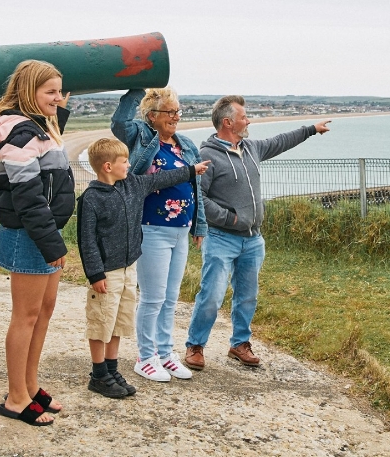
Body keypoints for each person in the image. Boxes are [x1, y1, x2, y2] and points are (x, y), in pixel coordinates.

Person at [184, 95, 331, 370]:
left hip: (253, 240)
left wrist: (311, 129)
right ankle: (195, 345)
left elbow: (280, 141)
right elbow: (198, 197)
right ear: (228, 122)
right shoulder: (208, 155)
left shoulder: (251, 148)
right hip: (221, 239)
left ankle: (239, 343)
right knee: (212, 295)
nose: (248, 120)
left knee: (248, 295)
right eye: (243, 117)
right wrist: (229, 217)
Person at [0, 59, 75, 427]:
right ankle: (16, 397)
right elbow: (29, 199)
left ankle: (30, 385)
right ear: (28, 92)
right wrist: (53, 245)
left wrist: (55, 109)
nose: (58, 97)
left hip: (44, 232)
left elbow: (46, 144)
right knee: (26, 316)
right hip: (30, 234)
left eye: (60, 91)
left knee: (44, 312)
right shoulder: (19, 136)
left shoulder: (37, 128)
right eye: (50, 91)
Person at [77, 138, 209, 398]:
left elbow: (162, 179)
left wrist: (192, 170)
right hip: (107, 273)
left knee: (118, 322)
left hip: (128, 269)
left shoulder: (133, 185)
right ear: (107, 166)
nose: (130, 165)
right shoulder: (91, 198)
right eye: (124, 161)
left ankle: (112, 368)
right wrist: (95, 273)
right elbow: (87, 240)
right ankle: (98, 373)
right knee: (101, 323)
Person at [111, 88, 207, 382]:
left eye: (178, 111)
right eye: (170, 112)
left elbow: (195, 187)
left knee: (171, 297)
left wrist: (199, 224)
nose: (176, 117)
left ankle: (166, 354)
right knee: (152, 297)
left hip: (181, 229)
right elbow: (119, 123)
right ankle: (146, 357)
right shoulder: (141, 136)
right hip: (151, 227)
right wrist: (138, 86)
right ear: (152, 116)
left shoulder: (185, 144)